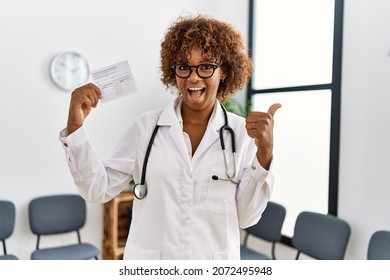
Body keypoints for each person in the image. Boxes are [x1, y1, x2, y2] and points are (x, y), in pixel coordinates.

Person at [59, 14, 281, 260]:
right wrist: (75, 128)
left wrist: (264, 156)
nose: (193, 77)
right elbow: (96, 190)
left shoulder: (241, 133)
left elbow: (247, 217)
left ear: (224, 72)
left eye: (206, 66)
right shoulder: (146, 127)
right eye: (184, 67)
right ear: (173, 72)